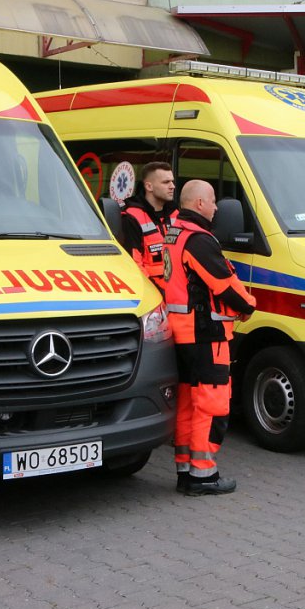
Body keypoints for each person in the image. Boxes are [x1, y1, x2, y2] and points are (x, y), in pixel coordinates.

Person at [164, 180, 257, 496]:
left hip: (182, 333)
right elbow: (224, 284)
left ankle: (186, 470)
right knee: (213, 404)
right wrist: (248, 306)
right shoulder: (199, 240)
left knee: (189, 404)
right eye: (214, 201)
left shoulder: (173, 233)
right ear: (200, 203)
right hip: (207, 333)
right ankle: (203, 474)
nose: (217, 208)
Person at [120, 161, 177, 293]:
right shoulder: (132, 217)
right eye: (166, 182)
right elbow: (134, 265)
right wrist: (156, 293)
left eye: (172, 181)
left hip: (178, 292)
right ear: (149, 186)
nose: (172, 186)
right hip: (153, 293)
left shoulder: (176, 213)